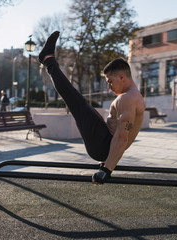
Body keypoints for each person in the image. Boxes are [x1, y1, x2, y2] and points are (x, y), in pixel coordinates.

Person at [39, 31, 145, 184]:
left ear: (122, 77)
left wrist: (106, 171)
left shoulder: (127, 98)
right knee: (82, 104)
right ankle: (48, 59)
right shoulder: (135, 97)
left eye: (110, 81)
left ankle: (48, 60)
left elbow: (122, 137)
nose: (109, 87)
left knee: (75, 100)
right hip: (104, 146)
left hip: (103, 146)